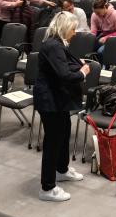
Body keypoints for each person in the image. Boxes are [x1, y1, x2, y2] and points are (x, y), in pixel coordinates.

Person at [35, 11, 90, 202]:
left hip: (58, 98)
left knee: (64, 132)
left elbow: (63, 65)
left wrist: (77, 64)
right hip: (50, 101)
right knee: (53, 142)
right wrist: (82, 73)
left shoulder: (57, 43)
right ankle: (47, 188)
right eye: (73, 29)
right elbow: (64, 75)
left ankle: (62, 169)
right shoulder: (53, 46)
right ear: (65, 28)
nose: (74, 33)